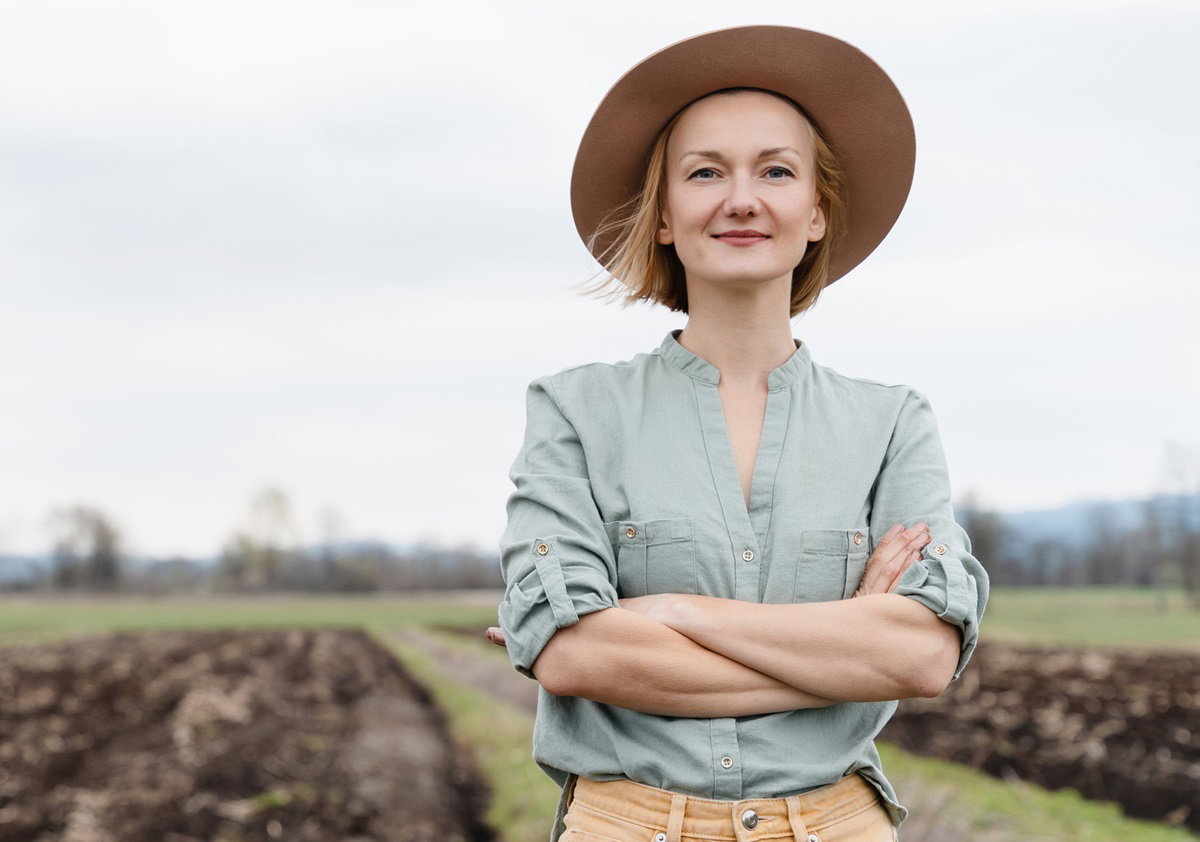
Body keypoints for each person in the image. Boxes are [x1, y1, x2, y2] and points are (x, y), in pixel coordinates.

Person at [485, 25, 989, 842]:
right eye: (706, 172)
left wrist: (670, 611)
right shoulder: (574, 410)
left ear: (816, 212)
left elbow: (922, 657)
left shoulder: (892, 422)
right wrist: (842, 651)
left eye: (776, 171)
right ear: (663, 215)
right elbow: (576, 656)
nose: (743, 199)